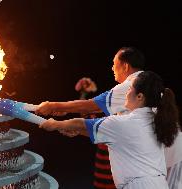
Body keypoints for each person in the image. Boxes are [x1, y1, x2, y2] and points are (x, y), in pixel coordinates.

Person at [39, 71, 181, 189]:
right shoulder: (157, 121)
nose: (126, 93)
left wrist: (55, 124)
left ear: (140, 96)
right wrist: (76, 129)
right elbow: (102, 131)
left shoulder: (125, 123)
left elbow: (81, 123)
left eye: (130, 89)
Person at [36, 46, 145, 188]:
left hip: (136, 172)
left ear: (125, 66)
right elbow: (108, 123)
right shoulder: (146, 83)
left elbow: (91, 105)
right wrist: (77, 127)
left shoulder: (130, 87)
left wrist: (53, 107)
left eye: (114, 63)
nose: (112, 68)